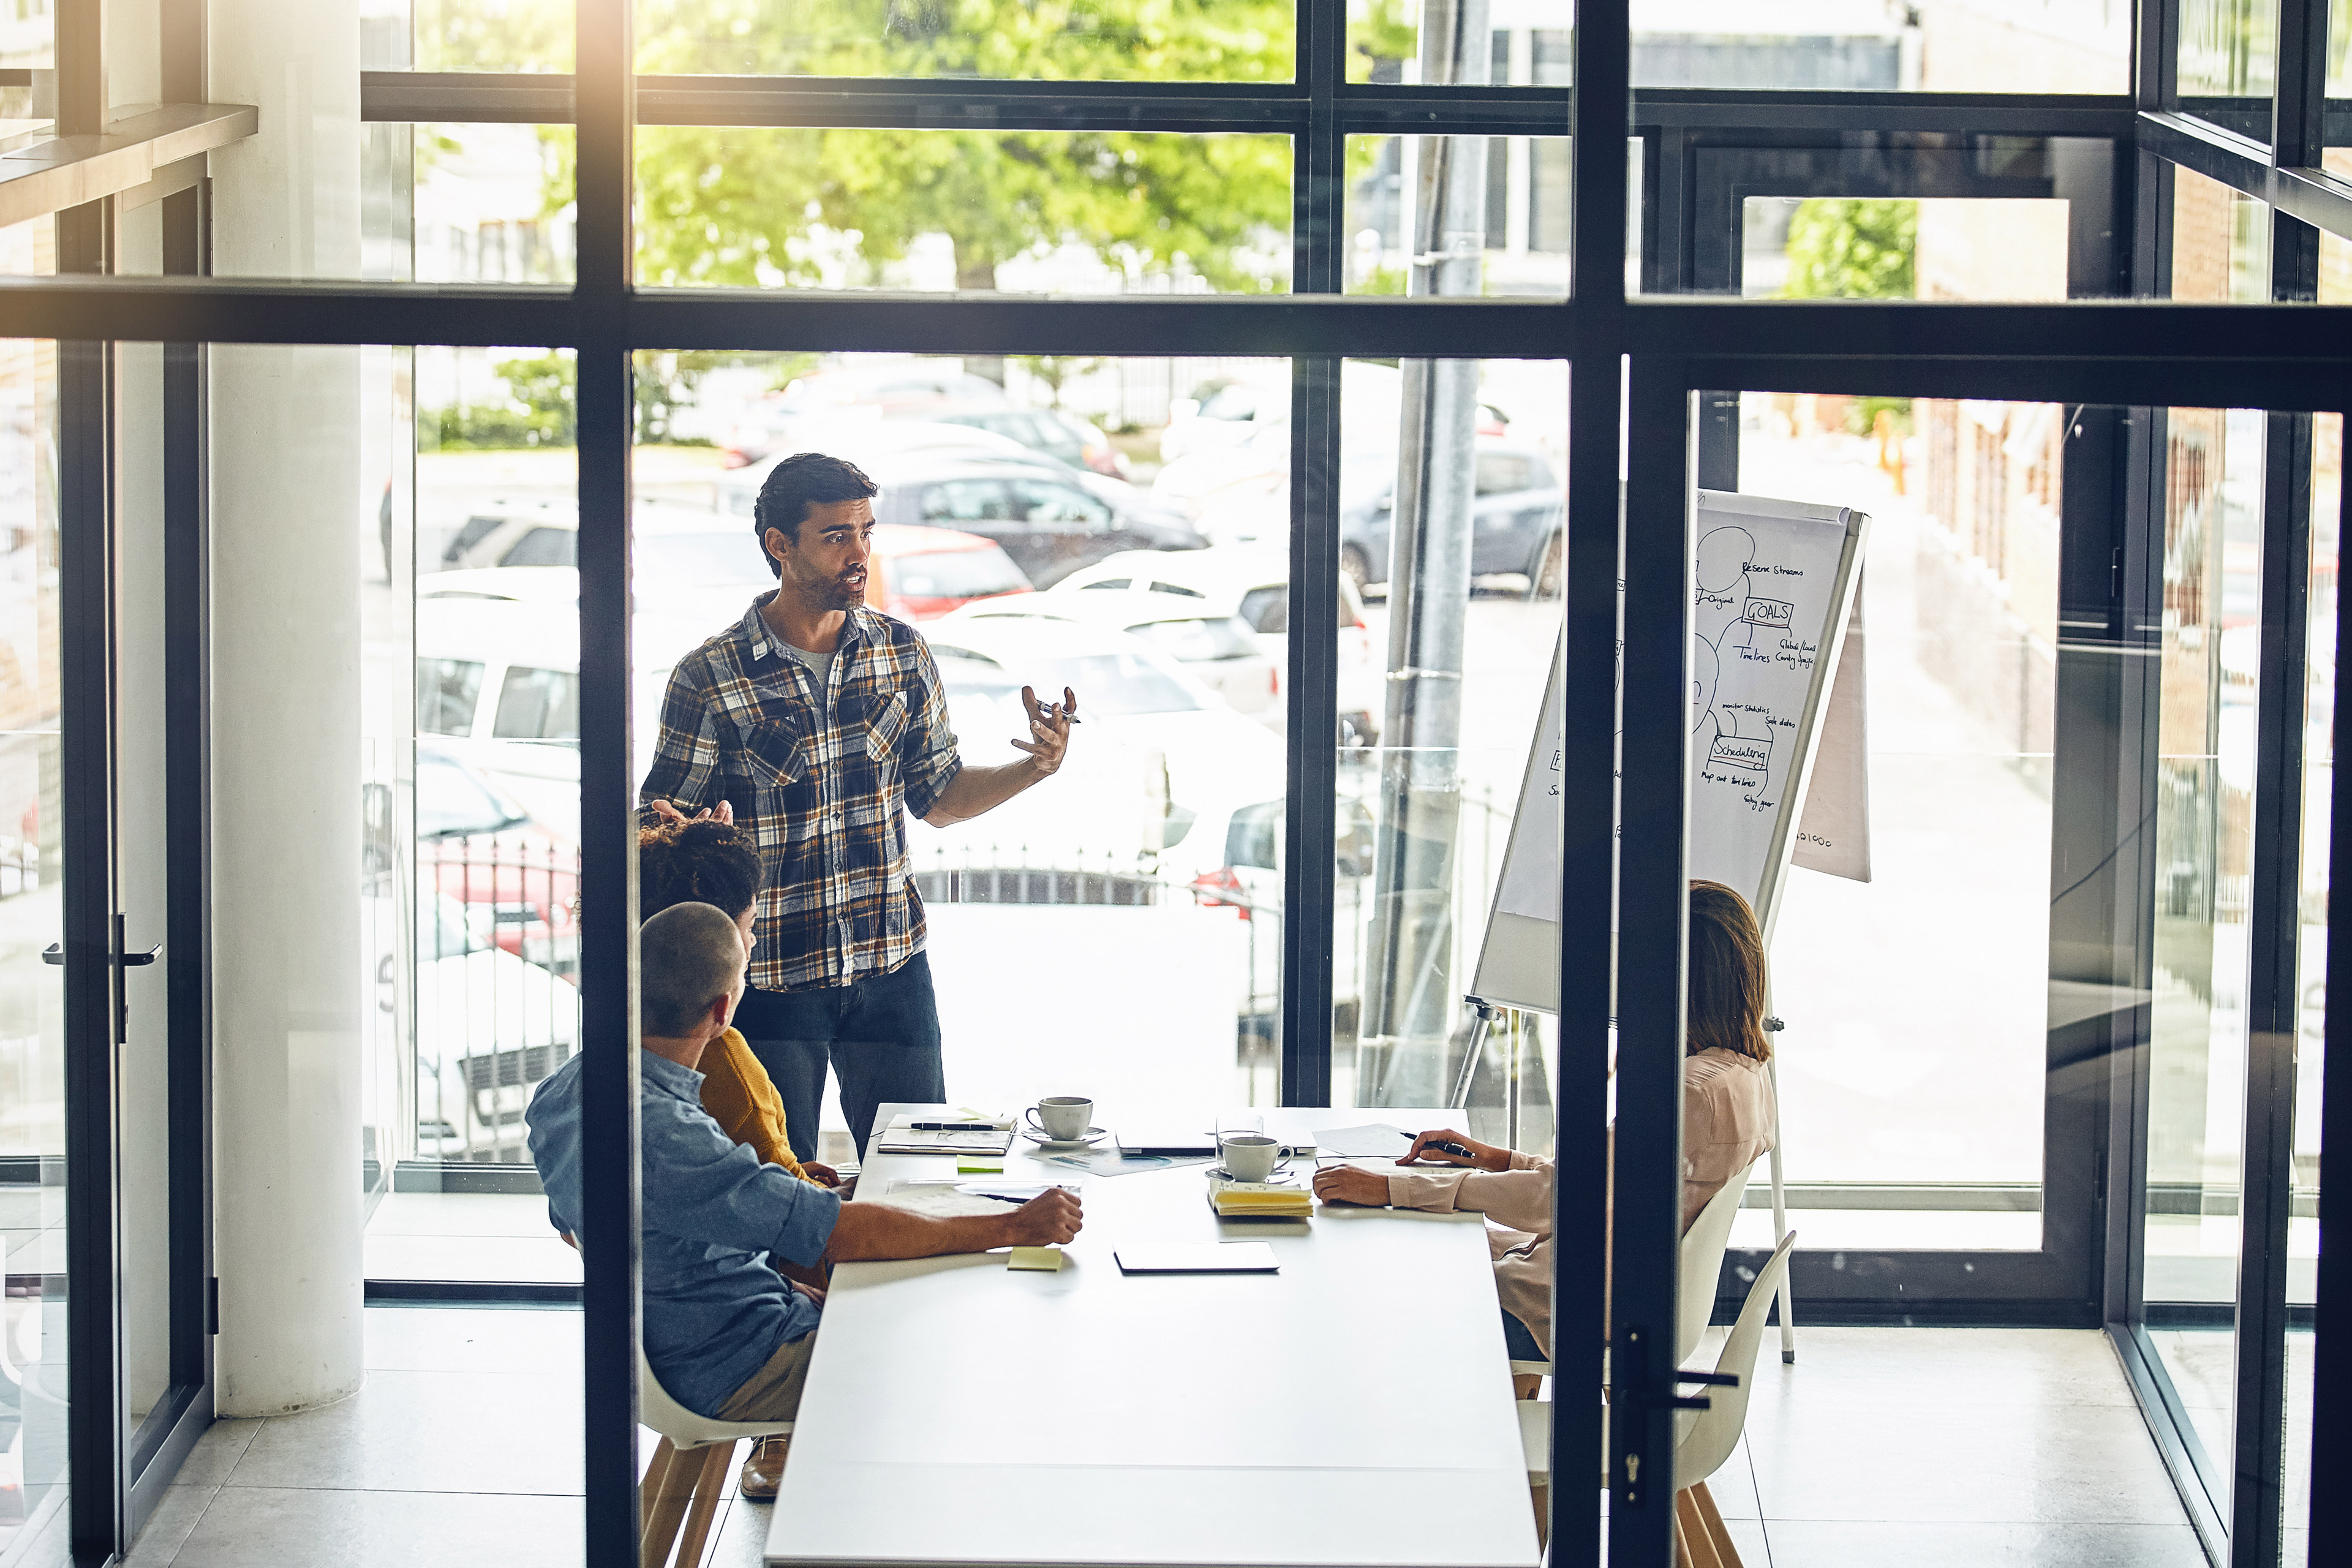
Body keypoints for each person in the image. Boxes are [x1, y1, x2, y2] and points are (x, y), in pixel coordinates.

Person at [639, 451, 1078, 1165]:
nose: (860, 554)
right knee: (777, 1180)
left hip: (890, 969)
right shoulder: (709, 678)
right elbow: (659, 826)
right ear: (780, 545)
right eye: (837, 535)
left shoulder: (902, 655)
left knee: (920, 1174)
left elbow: (938, 798)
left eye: (867, 532)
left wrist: (1037, 765)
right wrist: (696, 842)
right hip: (773, 981)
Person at [526, 903, 1082, 1464]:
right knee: (962, 1338)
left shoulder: (564, 1092)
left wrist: (771, 1279)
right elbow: (838, 1235)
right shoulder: (673, 1136)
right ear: (723, 1010)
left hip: (653, 1353)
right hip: (730, 1366)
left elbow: (582, 1229)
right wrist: (1015, 1224)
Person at [1311, 879, 1777, 1376]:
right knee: (1416, 1233)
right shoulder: (1745, 1077)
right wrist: (1492, 1159)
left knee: (1377, 1260)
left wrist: (1391, 1186)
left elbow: (1560, 1201)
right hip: (1605, 1290)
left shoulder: (1683, 1095)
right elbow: (1605, 1184)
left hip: (1565, 1305)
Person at [639, 816, 837, 1191]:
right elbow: (797, 1218)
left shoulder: (585, 1071)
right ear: (712, 943)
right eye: (749, 928)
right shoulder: (728, 1064)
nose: (753, 943)